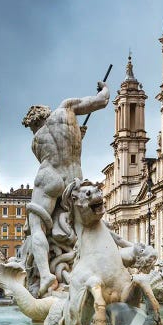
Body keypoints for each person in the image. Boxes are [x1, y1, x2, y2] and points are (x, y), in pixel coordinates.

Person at [22, 81, 110, 296]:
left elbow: (51, 155)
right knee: (78, 224)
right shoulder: (67, 109)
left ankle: (45, 276)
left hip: (50, 177)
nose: (34, 131)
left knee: (37, 226)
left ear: (35, 122)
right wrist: (104, 88)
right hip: (74, 178)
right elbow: (102, 101)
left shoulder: (35, 141)